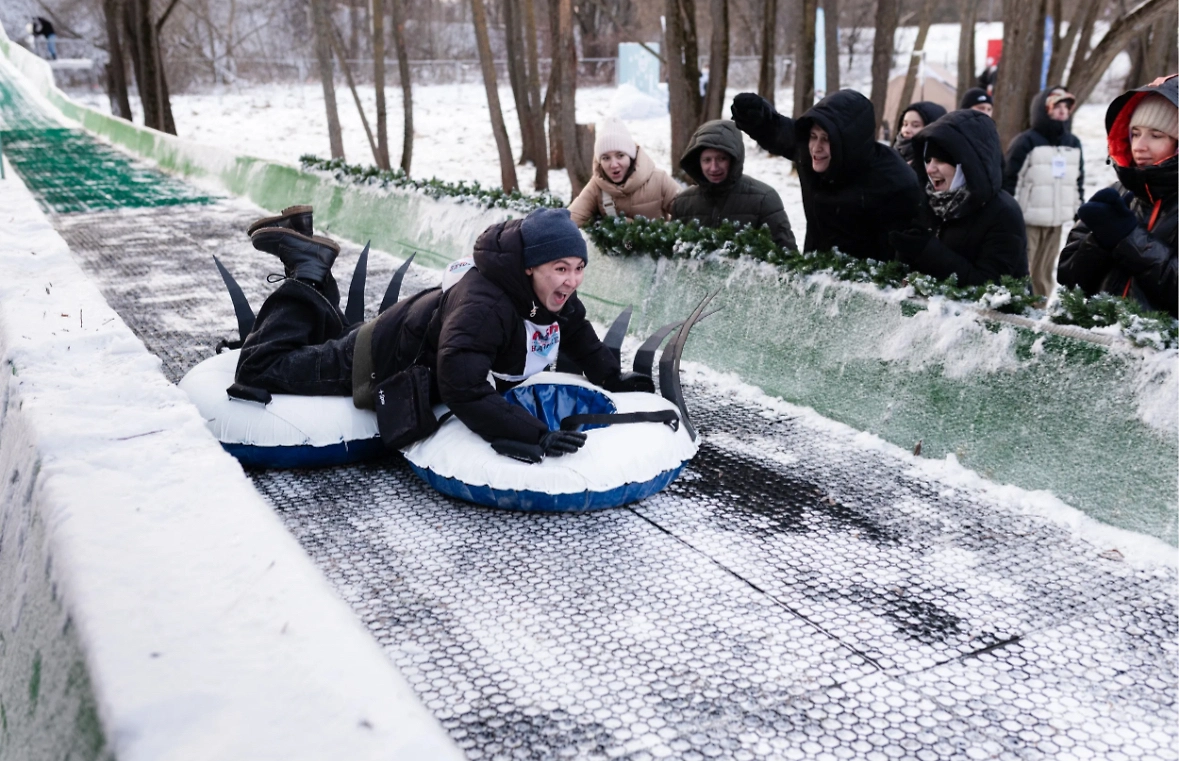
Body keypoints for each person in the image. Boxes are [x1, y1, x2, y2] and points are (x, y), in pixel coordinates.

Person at [234, 206, 654, 458]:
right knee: (259, 366)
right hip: (373, 358)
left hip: (408, 331)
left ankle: (305, 238)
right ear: (530, 267)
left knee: (319, 342)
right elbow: (463, 388)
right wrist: (535, 435)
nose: (572, 281)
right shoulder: (485, 307)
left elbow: (577, 329)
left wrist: (612, 378)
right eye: (560, 269)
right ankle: (308, 271)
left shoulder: (544, 294)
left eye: (579, 268)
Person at [731, 89, 921, 260]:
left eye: (826, 139)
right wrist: (755, 117)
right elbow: (779, 131)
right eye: (813, 136)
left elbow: (901, 255)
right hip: (816, 273)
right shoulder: (809, 154)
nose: (817, 148)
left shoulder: (894, 181)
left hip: (869, 284)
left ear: (848, 142)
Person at [1058, 75, 1177, 318]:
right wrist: (1098, 241)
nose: (1139, 146)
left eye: (1156, 135)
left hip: (1158, 352)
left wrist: (1129, 239)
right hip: (1098, 342)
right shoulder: (1119, 191)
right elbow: (1068, 278)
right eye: (1135, 133)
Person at [888, 109, 1028, 286]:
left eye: (940, 160)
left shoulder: (1004, 213)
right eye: (928, 159)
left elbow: (989, 288)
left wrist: (927, 251)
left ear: (968, 164)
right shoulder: (928, 199)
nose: (930, 169)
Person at [1002, 86, 1085, 297]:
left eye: (1066, 106)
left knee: (1045, 271)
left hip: (1056, 221)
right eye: (1057, 105)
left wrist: (1078, 208)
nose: (1062, 110)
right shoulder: (1026, 142)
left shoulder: (1073, 143)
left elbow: (1077, 180)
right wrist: (1008, 211)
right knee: (1023, 267)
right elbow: (1011, 179)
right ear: (1043, 108)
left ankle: (1039, 307)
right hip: (1027, 219)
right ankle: (1017, 306)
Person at [669, 119, 797, 250]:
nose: (713, 168)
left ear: (734, 159)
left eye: (721, 159)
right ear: (698, 162)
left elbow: (787, 255)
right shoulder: (683, 203)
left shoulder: (764, 199)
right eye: (707, 160)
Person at [568, 118, 681, 227]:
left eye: (620, 156)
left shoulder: (659, 179)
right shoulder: (596, 186)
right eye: (606, 158)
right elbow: (569, 220)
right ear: (599, 162)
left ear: (631, 157)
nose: (614, 165)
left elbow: (690, 214)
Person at [894, 101, 948, 166]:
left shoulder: (939, 164)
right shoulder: (889, 156)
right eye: (905, 124)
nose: (907, 130)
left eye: (915, 125)